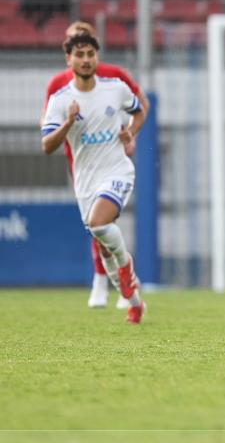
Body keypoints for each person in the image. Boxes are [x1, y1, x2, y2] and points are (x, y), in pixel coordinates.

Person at [41, 31, 147, 323]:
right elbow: (47, 145)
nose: (86, 60)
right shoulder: (60, 100)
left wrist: (130, 132)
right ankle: (134, 300)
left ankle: (127, 271)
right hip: (85, 181)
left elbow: (139, 112)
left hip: (117, 171)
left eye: (90, 54)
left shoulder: (115, 88)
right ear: (69, 59)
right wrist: (68, 123)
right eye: (80, 55)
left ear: (96, 57)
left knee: (99, 224)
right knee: (104, 246)